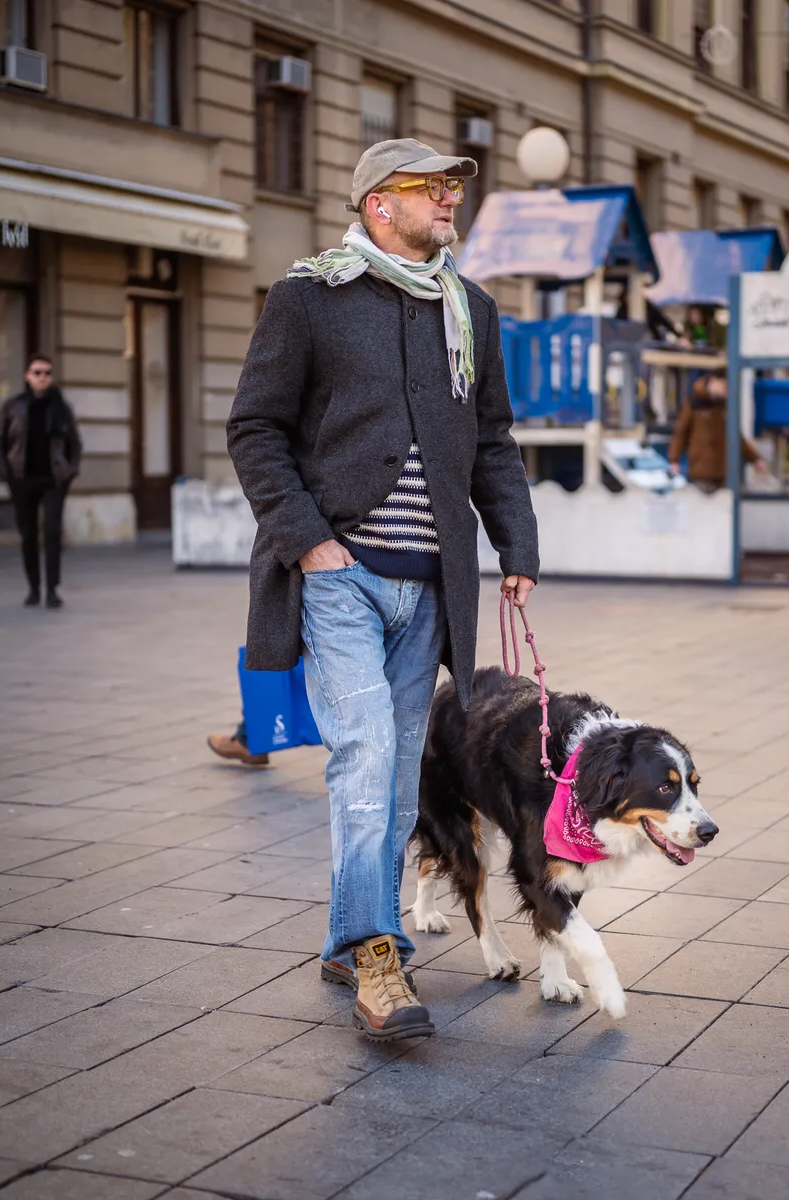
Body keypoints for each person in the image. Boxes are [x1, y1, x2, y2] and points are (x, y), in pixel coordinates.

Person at [226, 138, 538, 1042]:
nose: (448, 200)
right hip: (341, 578)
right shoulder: (308, 297)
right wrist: (311, 544)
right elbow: (255, 428)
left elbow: (491, 440)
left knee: (399, 774)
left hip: (433, 587)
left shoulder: (469, 307)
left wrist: (516, 540)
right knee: (364, 757)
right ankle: (377, 958)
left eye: (452, 188)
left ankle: (340, 935)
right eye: (428, 188)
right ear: (377, 205)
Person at [0, 354, 82, 608]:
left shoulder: (61, 408)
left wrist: (70, 471)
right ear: (27, 377)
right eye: (37, 372)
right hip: (22, 479)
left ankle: (52, 589)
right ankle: (33, 587)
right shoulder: (13, 406)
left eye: (47, 373)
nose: (43, 377)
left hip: (53, 479)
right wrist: (6, 471)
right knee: (28, 534)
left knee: (52, 532)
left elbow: (75, 443)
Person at [669, 371, 764, 492]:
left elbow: (737, 437)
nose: (727, 390)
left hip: (722, 472)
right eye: (724, 385)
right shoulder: (694, 403)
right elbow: (680, 433)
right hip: (700, 471)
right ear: (713, 381)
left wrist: (754, 458)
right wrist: (674, 460)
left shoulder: (724, 406)